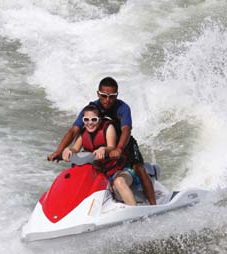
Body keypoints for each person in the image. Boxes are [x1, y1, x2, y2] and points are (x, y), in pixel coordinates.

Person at [48, 77, 156, 205]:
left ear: (117, 95)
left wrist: (118, 149)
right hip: (102, 149)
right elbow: (74, 131)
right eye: (104, 96)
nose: (107, 100)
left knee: (139, 168)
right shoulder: (90, 110)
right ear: (98, 93)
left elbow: (126, 130)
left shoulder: (122, 108)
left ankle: (153, 205)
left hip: (124, 144)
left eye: (112, 96)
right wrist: (60, 151)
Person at [62, 103, 137, 205]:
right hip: (99, 173)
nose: (90, 123)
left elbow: (112, 147)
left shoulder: (108, 128)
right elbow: (75, 148)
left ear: (100, 120)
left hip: (118, 171)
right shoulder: (83, 133)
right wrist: (68, 150)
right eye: (86, 120)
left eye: (94, 120)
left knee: (119, 182)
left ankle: (136, 213)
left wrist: (103, 149)